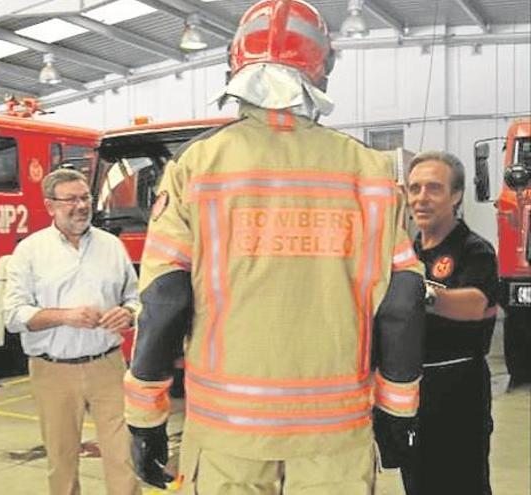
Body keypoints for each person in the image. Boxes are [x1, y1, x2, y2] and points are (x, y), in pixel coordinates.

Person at [123, 1, 427, 493]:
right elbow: (403, 300)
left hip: (228, 432)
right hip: (336, 432)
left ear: (235, 66)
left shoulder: (197, 168)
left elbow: (165, 299)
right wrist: (398, 409)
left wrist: (144, 415)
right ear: (323, 70)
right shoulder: (368, 172)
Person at [4, 168, 142, 495]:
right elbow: (13, 315)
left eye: (85, 198)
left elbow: (135, 298)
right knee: (62, 462)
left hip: (107, 367)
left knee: (124, 457)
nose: (81, 206)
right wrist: (65, 316)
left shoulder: (112, 246)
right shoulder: (30, 251)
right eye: (71, 200)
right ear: (50, 205)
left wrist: (129, 314)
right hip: (53, 371)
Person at [400, 151, 498, 495]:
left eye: (433, 188)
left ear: (456, 195)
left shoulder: (475, 251)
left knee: (462, 483)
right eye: (414, 189)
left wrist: (418, 292)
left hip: (458, 393)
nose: (421, 198)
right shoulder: (407, 253)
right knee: (417, 482)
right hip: (410, 391)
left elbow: (476, 303)